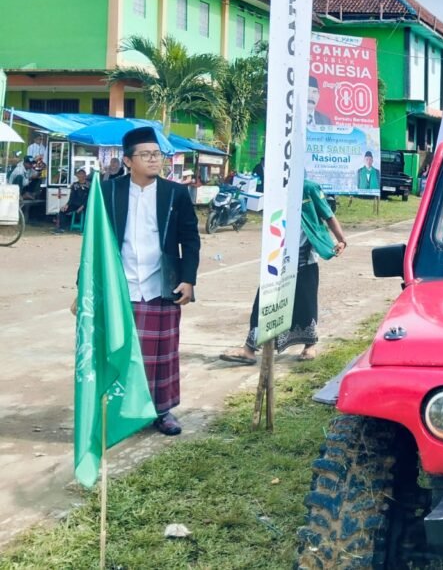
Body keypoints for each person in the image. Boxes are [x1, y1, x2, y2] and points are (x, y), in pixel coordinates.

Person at [78, 127, 201, 436]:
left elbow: (190, 239)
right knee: (119, 352)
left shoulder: (175, 193)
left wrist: (188, 279)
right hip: (119, 287)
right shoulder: (107, 192)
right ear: (128, 160)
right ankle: (119, 412)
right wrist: (83, 289)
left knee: (161, 356)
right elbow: (92, 243)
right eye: (146, 155)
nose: (154, 160)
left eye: (157, 154)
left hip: (161, 286)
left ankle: (162, 411)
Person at [220, 179, 347, 365]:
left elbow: (328, 215)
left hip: (304, 255)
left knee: (305, 299)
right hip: (277, 255)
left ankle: (309, 345)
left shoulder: (308, 188)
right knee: (265, 298)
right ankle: (249, 349)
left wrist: (341, 240)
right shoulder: (275, 185)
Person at [54, 167, 90, 233]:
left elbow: (89, 197)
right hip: (75, 204)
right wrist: (67, 204)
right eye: (79, 174)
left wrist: (82, 206)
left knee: (87, 213)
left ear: (85, 175)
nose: (80, 176)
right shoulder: (75, 184)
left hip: (85, 205)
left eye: (82, 174)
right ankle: (62, 228)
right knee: (62, 210)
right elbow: (72, 196)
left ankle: (85, 230)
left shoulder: (89, 185)